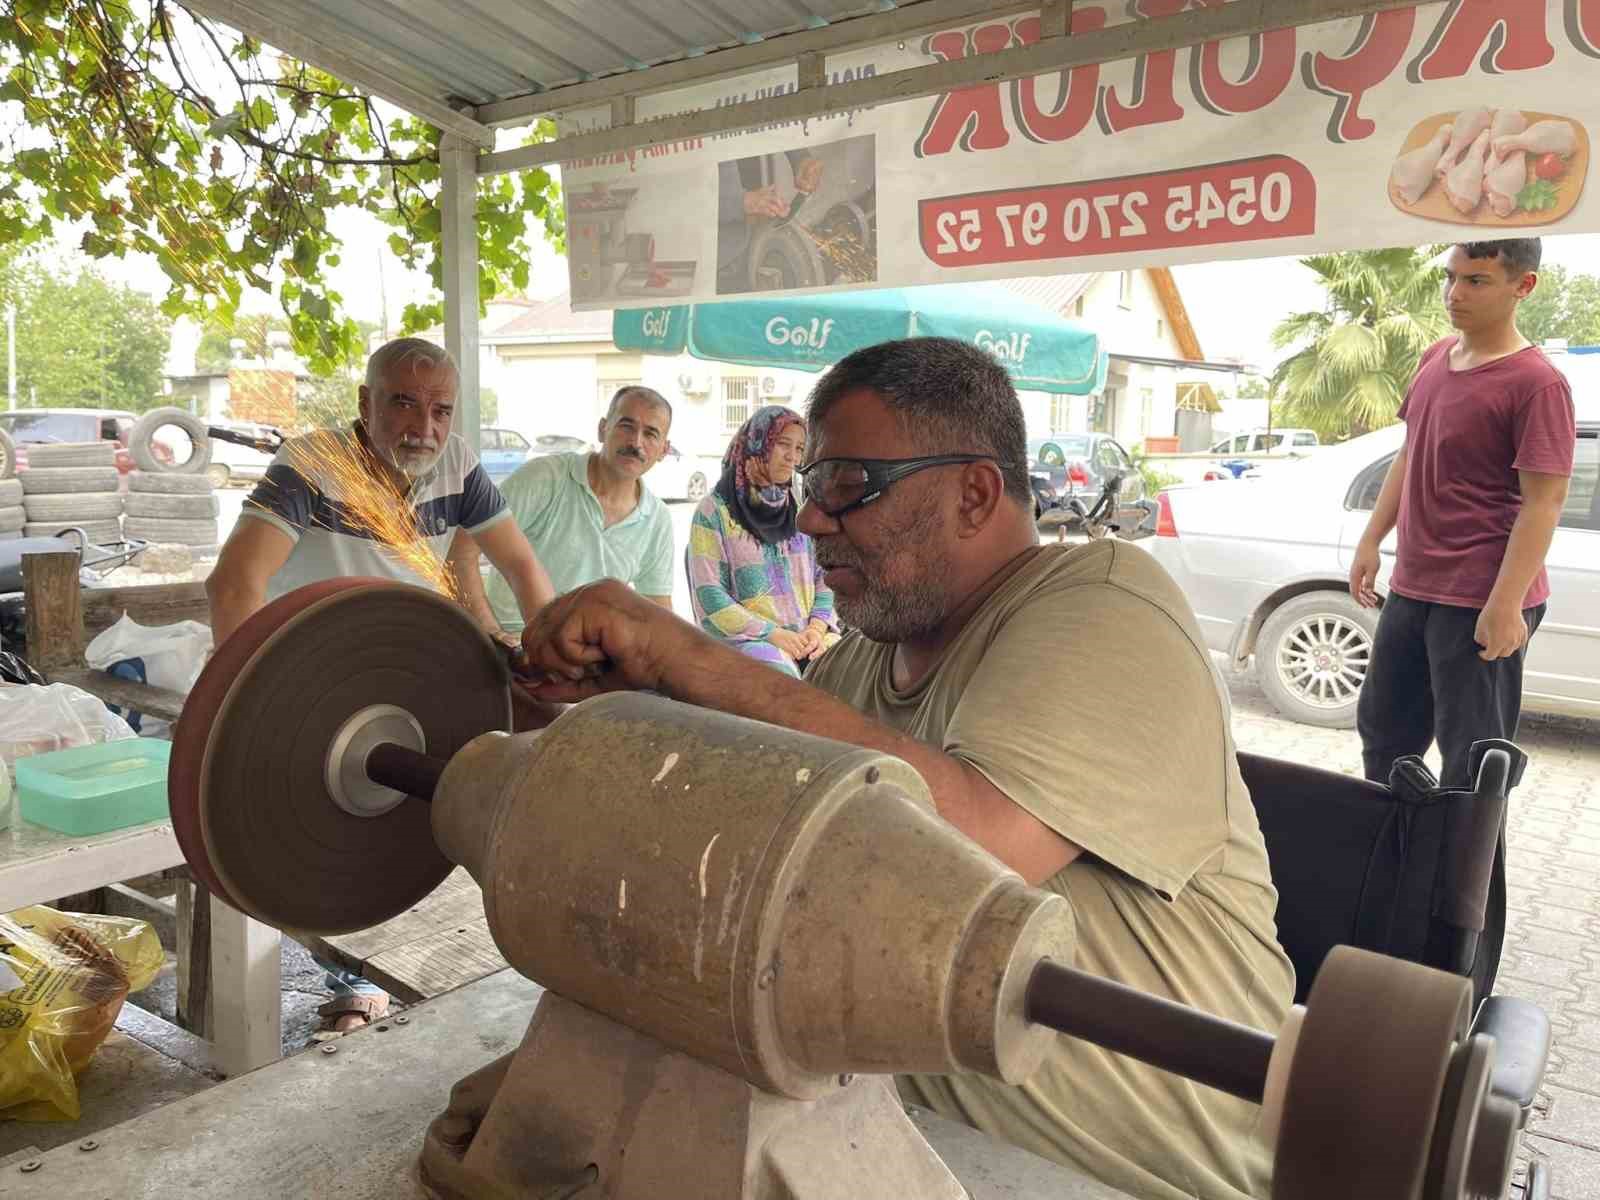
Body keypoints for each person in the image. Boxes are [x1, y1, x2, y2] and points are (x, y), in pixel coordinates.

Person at [517, 337, 1293, 1200]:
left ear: (974, 493)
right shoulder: (852, 673)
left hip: (1136, 1178)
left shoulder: (1110, 602)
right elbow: (743, 836)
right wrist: (634, 706)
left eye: (847, 486)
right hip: (896, 1153)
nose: (812, 519)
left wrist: (679, 651)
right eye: (813, 487)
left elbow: (956, 857)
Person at [207, 336, 557, 1036]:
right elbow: (233, 582)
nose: (422, 427)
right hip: (308, 669)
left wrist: (551, 654)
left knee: (501, 766)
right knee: (319, 834)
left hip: (408, 660)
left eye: (440, 410)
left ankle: (475, 938)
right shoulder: (312, 463)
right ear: (364, 403)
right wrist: (250, 701)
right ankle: (348, 975)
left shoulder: (456, 462)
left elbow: (520, 563)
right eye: (402, 402)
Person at [1351, 238, 1575, 790]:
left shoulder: (1537, 383)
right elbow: (1411, 452)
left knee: (1473, 772)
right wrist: (1371, 539)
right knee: (1385, 743)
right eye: (1451, 278)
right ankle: (1396, 873)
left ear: (1524, 286)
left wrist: (1506, 606)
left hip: (1480, 597)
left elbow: (1544, 503)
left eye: (1476, 281)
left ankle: (1464, 881)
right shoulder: (1435, 357)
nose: (1455, 293)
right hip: (1413, 587)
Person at [460, 385, 676, 636]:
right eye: (626, 426)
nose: (636, 442)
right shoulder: (545, 479)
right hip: (512, 641)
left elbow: (658, 609)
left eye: (650, 434)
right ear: (603, 429)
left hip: (583, 656)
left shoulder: (657, 519)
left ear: (663, 449)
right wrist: (491, 634)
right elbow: (463, 551)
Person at [687, 405, 837, 675]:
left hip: (807, 637)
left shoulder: (799, 506)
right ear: (757, 444)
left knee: (852, 668)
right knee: (783, 681)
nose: (792, 457)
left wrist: (816, 628)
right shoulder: (714, 512)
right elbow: (709, 596)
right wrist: (774, 634)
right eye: (782, 444)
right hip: (748, 642)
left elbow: (825, 575)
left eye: (800, 448)